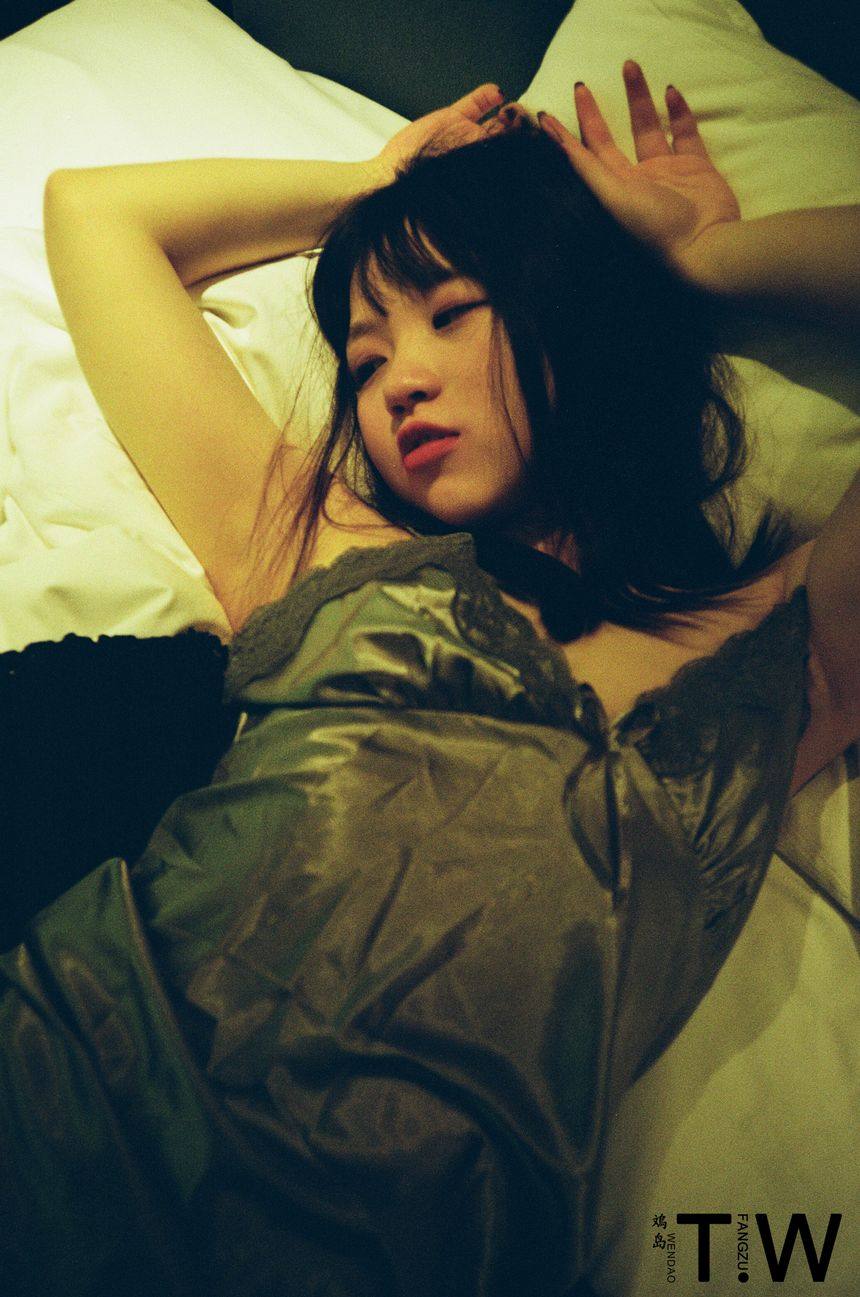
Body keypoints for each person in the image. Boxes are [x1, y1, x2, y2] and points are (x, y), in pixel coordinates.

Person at [0, 64, 857, 1297]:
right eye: (362, 359)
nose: (395, 379)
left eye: (451, 312)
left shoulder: (779, 660)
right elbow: (93, 214)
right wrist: (369, 184)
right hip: (50, 1097)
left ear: (571, 309)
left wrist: (697, 260)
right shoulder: (327, 557)